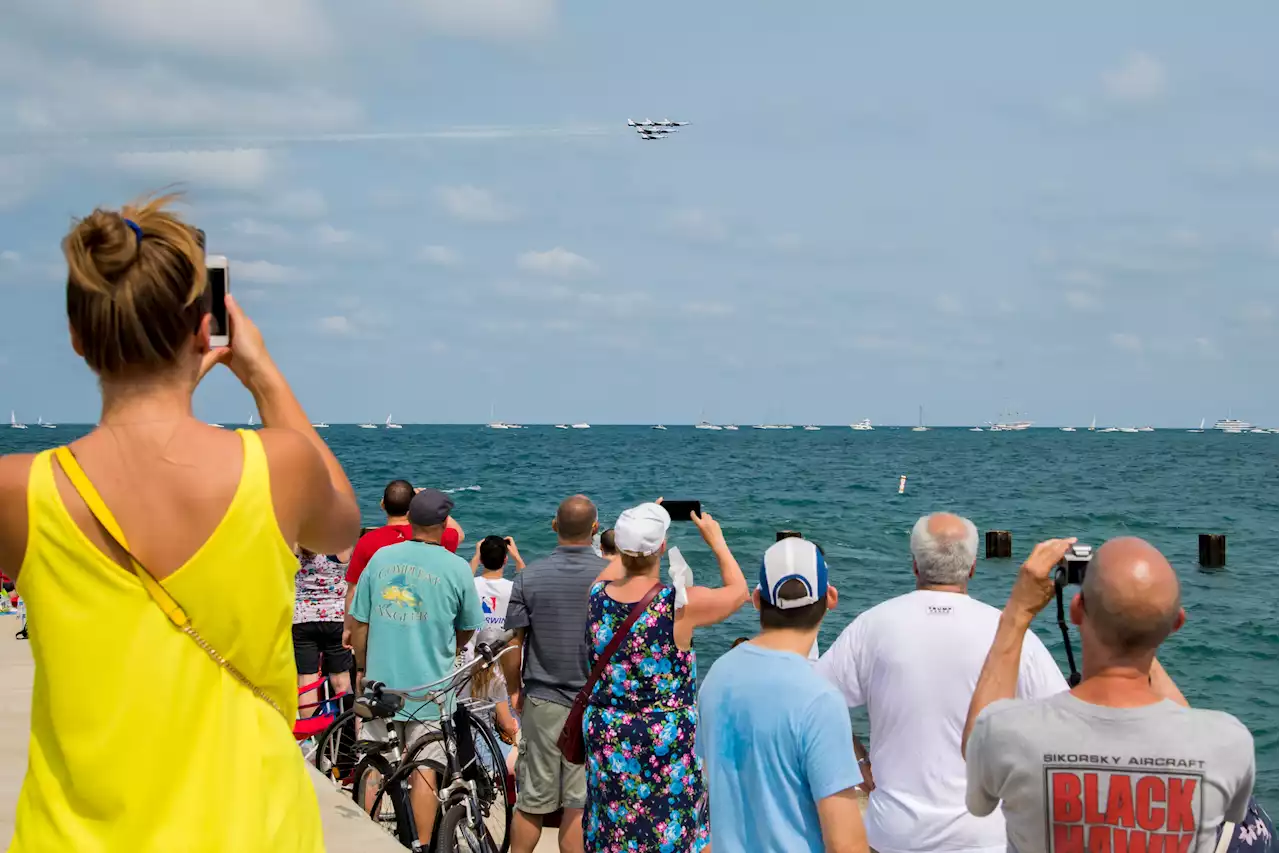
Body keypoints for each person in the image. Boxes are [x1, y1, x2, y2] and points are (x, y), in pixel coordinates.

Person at [0, 194, 360, 851]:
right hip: (253, 829)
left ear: (79, 339)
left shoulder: (19, 489)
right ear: (206, 330)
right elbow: (342, 525)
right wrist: (259, 369)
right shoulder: (275, 467)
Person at [963, 537, 1256, 853]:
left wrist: (1018, 613)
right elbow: (1193, 743)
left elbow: (977, 755)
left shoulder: (1004, 732)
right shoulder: (1228, 742)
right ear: (1177, 623)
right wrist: (1137, 623)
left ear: (1076, 610)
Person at [815, 513, 1067, 853]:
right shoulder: (1007, 630)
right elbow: (1062, 724)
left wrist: (857, 760)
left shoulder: (873, 625)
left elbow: (813, 703)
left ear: (915, 566)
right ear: (973, 567)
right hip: (984, 837)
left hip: (894, 834)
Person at [582, 502, 749, 853]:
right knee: (668, 831)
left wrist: (638, 524)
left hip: (608, 733)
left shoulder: (596, 595)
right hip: (663, 741)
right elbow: (738, 594)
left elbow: (618, 567)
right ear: (662, 547)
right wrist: (716, 541)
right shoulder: (677, 606)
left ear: (620, 548)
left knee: (614, 831)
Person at [698, 537, 870, 853]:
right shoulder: (819, 698)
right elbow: (846, 844)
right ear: (830, 597)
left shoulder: (718, 676)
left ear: (757, 599)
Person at [349, 488, 483, 849]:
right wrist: (451, 648)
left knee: (375, 761)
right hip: (431, 686)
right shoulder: (456, 566)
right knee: (426, 770)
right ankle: (422, 844)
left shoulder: (380, 559)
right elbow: (469, 624)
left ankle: (370, 838)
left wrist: (362, 666)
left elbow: (359, 621)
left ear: (409, 520)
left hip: (382, 682)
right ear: (442, 525)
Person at [501, 495, 608, 853]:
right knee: (578, 805)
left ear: (554, 526)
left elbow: (513, 646)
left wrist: (515, 690)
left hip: (542, 699)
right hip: (593, 702)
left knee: (531, 801)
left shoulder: (527, 577)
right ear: (594, 529)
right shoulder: (611, 579)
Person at [343, 480, 463, 645]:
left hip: (382, 628)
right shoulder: (430, 537)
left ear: (383, 505)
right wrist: (430, 507)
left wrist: (349, 628)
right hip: (424, 627)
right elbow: (459, 534)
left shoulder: (367, 541)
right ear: (413, 508)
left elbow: (353, 590)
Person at [293, 545, 355, 713]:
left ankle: (309, 734)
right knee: (341, 677)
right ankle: (343, 729)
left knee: (307, 680)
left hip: (302, 618)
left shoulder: (297, 544)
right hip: (336, 617)